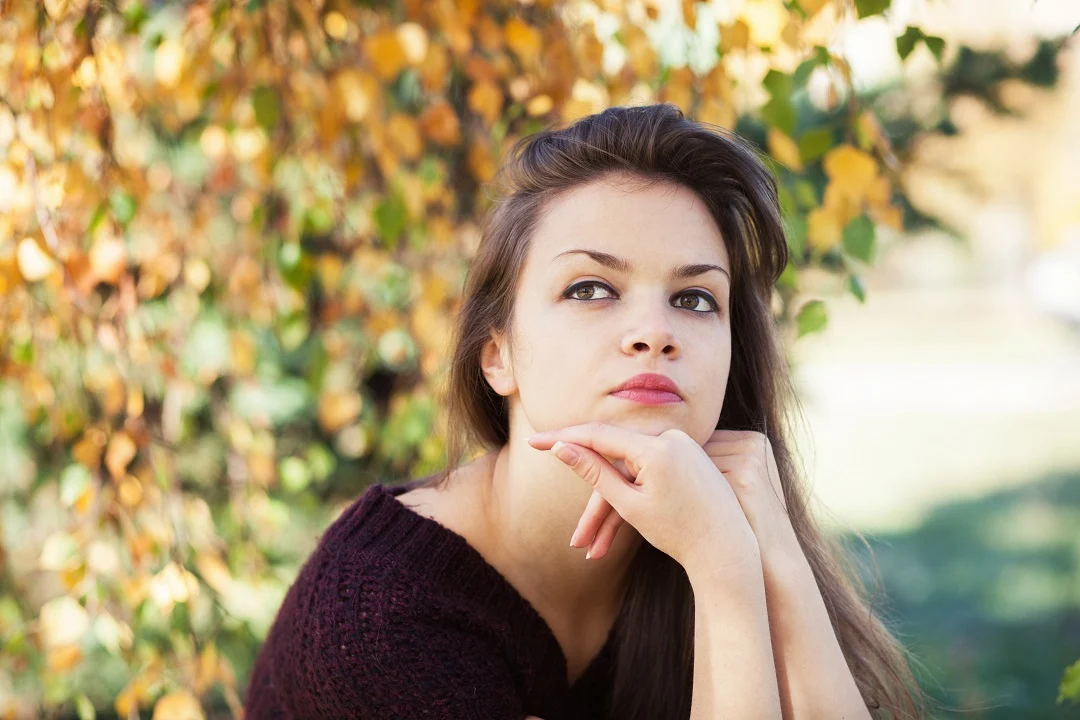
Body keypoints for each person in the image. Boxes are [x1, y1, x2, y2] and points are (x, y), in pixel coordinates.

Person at [243, 103, 929, 719]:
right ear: (497, 356)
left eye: (694, 299)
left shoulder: (712, 522)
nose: (653, 331)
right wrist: (723, 570)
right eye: (592, 288)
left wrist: (772, 551)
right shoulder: (381, 625)